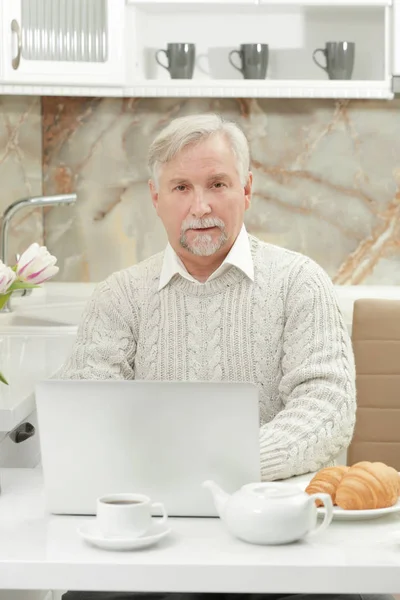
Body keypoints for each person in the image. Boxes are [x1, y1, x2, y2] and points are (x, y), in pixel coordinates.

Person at [60, 113, 391, 600]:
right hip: (156, 530)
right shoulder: (119, 297)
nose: (201, 206)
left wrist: (215, 464)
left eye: (218, 183)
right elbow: (91, 415)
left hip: (284, 536)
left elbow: (327, 408)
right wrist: (193, 472)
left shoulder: (300, 282)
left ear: (247, 189)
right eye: (180, 187)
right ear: (155, 198)